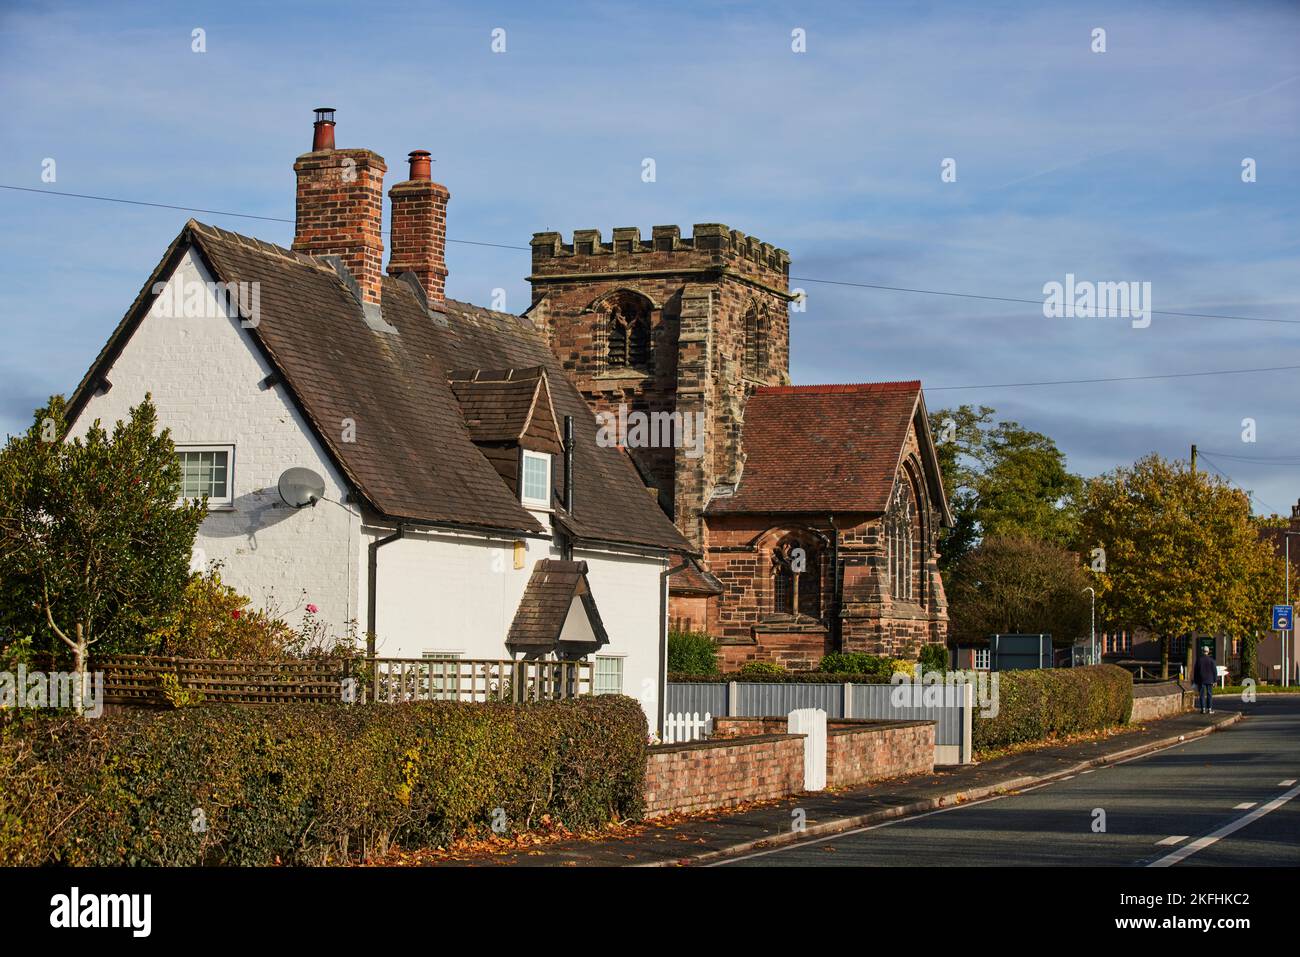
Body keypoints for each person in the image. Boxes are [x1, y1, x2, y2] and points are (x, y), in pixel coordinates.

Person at [1194, 646, 1218, 714]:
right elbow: (1214, 671)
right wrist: (1215, 681)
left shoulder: (1199, 660)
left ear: (1202, 651)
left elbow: (1196, 671)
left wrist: (1196, 681)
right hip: (1210, 680)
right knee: (1209, 694)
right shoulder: (1212, 660)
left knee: (1202, 694)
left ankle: (1203, 709)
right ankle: (1210, 709)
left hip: (1201, 680)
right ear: (1208, 651)